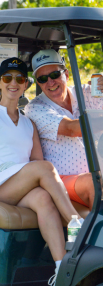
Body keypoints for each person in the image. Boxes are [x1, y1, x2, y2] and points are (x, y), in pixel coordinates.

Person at [0, 57, 80, 286]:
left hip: (17, 186)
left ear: (25, 85)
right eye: (7, 78)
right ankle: (75, 223)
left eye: (19, 79)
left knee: (43, 199)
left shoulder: (28, 123)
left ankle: (61, 271)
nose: (13, 83)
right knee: (44, 169)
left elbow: (36, 159)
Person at [25, 48, 103, 215]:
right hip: (60, 180)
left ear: (66, 74)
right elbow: (71, 128)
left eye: (54, 75)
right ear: (38, 83)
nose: (50, 82)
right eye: (43, 79)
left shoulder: (85, 92)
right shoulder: (35, 108)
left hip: (94, 172)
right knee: (94, 182)